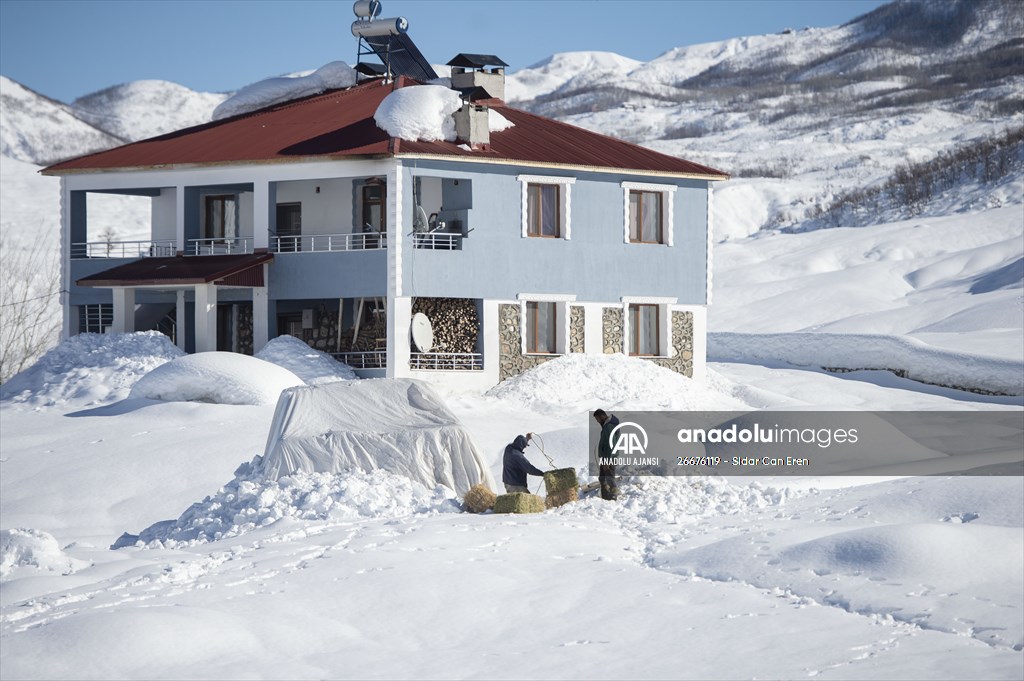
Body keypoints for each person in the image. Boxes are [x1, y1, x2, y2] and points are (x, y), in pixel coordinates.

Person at [594, 409, 619, 501]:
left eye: (597, 419)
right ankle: (605, 497)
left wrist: (607, 461)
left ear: (602, 417)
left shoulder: (609, 427)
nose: (597, 421)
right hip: (607, 456)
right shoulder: (607, 426)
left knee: (609, 477)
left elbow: (610, 445)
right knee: (602, 478)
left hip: (609, 457)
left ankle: (613, 496)